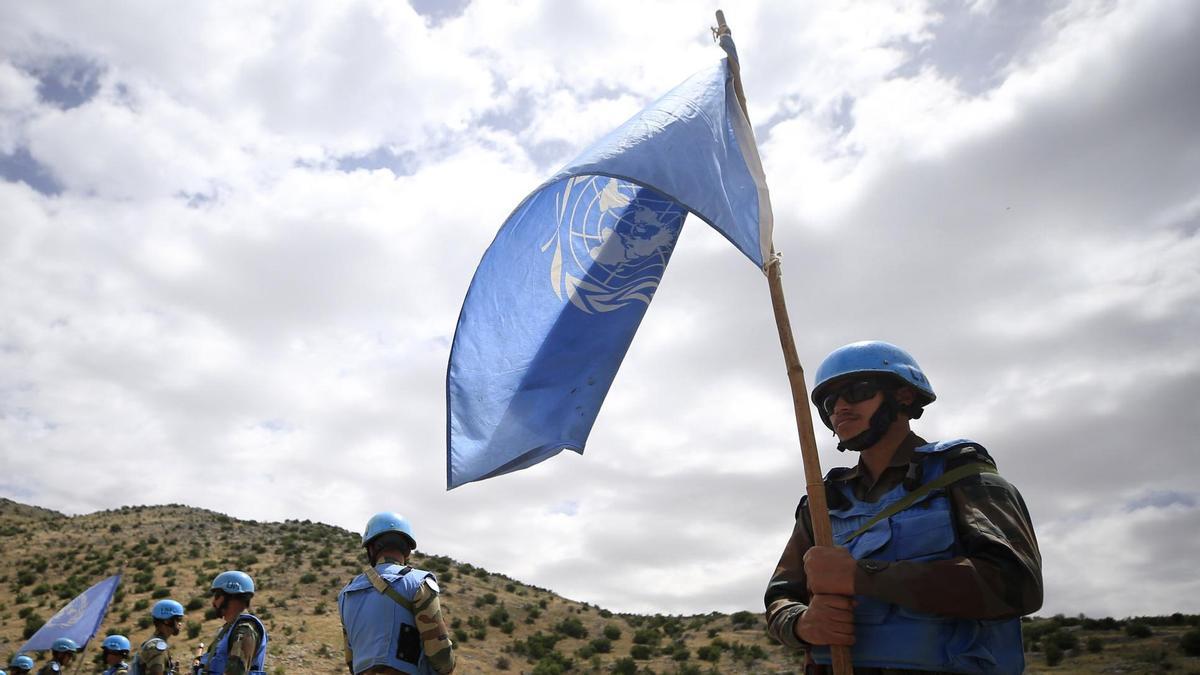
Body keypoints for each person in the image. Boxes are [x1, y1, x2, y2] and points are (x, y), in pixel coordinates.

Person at [764, 341, 1043, 675]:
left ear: (904, 396)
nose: (839, 408)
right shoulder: (823, 503)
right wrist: (800, 624)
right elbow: (780, 597)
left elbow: (1016, 583)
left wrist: (860, 576)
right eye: (829, 401)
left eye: (857, 391)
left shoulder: (962, 477)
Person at [338, 512, 455, 674]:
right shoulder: (420, 582)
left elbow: (351, 660)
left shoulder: (346, 594)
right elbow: (441, 657)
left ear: (371, 548)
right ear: (407, 549)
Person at [196, 571, 267, 675]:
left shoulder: (245, 629)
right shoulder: (228, 629)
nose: (213, 602)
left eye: (217, 596)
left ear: (231, 596)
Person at [131, 599, 184, 675]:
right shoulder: (156, 647)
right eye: (178, 619)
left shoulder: (154, 643)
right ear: (167, 621)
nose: (180, 623)